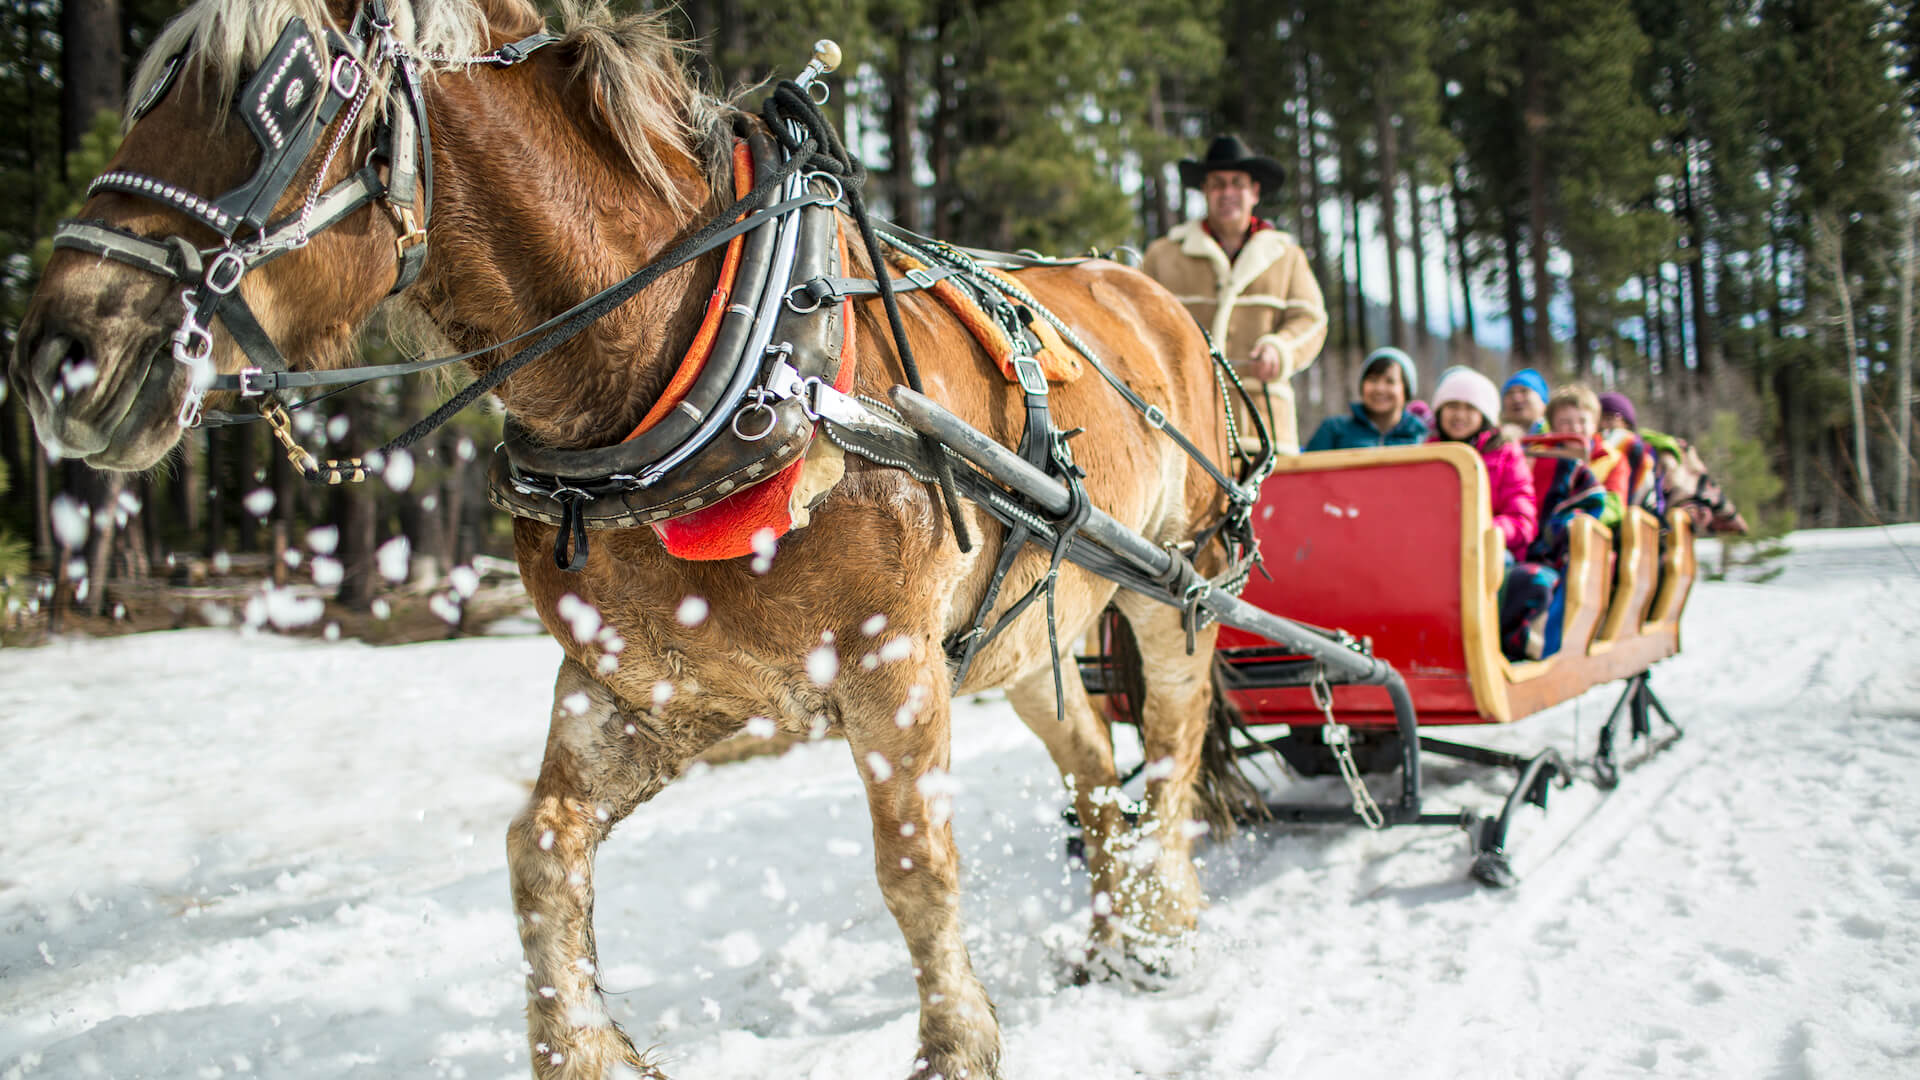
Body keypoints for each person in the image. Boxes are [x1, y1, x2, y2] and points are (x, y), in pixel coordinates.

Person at [1141, 134, 1327, 453]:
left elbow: (1311, 321)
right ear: (1205, 190)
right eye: (1218, 184)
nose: (1227, 193)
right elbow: (1140, 325)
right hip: (1185, 429)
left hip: (1266, 429)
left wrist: (1280, 349)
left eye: (1237, 183)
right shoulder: (1163, 255)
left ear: (1254, 191)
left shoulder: (1287, 255)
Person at [1429, 367, 1545, 662]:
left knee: (1500, 570)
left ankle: (1487, 645)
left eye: (1469, 408)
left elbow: (1523, 518)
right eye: (1452, 406)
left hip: (1488, 549)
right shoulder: (1428, 453)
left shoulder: (1505, 453)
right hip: (1438, 550)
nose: (1459, 415)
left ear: (1484, 415)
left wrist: (1486, 530)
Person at [1303, 346, 1427, 450]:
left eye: (1390, 381)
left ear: (1406, 389)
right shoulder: (1333, 430)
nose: (1379, 389)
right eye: (1373, 380)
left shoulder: (1420, 436)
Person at [1595, 391, 1664, 517]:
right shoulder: (1590, 446)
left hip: (1634, 514)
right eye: (1600, 418)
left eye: (1610, 417)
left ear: (1626, 422)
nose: (1604, 424)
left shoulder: (1639, 448)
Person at [1500, 368, 1550, 438]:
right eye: (1509, 393)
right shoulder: (1494, 440)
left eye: (1524, 391)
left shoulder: (1558, 433)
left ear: (1543, 401)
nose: (1516, 398)